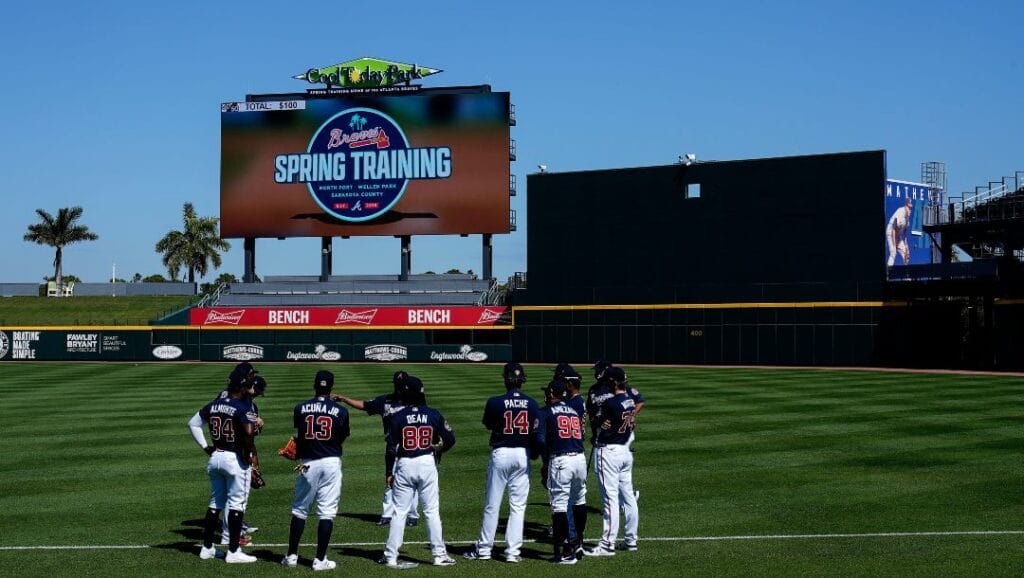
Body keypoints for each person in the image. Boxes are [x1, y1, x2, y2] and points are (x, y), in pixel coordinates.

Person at [463, 362, 539, 564]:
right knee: (518, 506)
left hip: (502, 454)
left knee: (492, 504)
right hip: (523, 454)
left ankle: (485, 549)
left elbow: (489, 424)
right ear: (522, 380)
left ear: (505, 379)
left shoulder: (495, 402)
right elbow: (535, 431)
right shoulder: (532, 404)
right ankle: (513, 552)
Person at [380, 375, 457, 568]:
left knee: (399, 512)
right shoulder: (433, 414)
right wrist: (438, 449)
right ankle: (439, 555)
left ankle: (390, 556)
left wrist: (389, 472)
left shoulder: (397, 417)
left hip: (405, 464)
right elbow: (450, 439)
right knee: (431, 511)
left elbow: (390, 449)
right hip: (426, 462)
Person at [281, 370, 351, 571]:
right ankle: (320, 560)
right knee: (327, 512)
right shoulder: (341, 411)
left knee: (300, 509)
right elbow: (342, 436)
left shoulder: (300, 408)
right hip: (331, 462)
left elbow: (301, 435)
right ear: (331, 387)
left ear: (315, 386)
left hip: (308, 463)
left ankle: (292, 556)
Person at [331, 370, 421, 527]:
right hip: (393, 447)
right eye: (398, 385)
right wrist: (345, 399)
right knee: (389, 480)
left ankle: (412, 515)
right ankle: (387, 514)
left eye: (402, 385)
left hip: (412, 447)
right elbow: (365, 405)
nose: (400, 388)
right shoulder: (385, 401)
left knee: (413, 481)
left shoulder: (414, 402)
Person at [187, 373, 258, 564]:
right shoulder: (241, 406)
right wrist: (249, 454)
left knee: (215, 504)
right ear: (241, 388)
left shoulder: (213, 404)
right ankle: (234, 551)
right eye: (247, 387)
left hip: (215, 457)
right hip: (234, 459)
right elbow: (249, 432)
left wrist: (205, 447)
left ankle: (207, 548)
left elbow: (193, 423)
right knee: (237, 504)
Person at [586, 367, 639, 556]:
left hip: (609, 452)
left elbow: (596, 420)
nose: (606, 383)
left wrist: (600, 420)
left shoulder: (611, 403)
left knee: (610, 498)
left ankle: (607, 544)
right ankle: (631, 540)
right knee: (628, 497)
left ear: (615, 383)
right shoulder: (629, 401)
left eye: (609, 381)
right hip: (625, 452)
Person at [536, 380, 588, 564]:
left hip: (561, 461)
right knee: (579, 500)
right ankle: (578, 542)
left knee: (559, 506)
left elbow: (540, 441)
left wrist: (544, 463)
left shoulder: (546, 412)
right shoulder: (572, 410)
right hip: (580, 458)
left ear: (551, 394)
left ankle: (566, 550)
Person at [215, 364, 264, 545]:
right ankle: (232, 536)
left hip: (223, 448)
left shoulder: (227, 395)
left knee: (231, 495)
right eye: (251, 376)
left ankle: (236, 527)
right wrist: (251, 460)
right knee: (235, 496)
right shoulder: (240, 398)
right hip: (234, 451)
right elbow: (248, 433)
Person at [886, 196, 913, 267]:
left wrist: (906, 244)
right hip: (890, 232)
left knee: (906, 253)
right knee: (893, 252)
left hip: (897, 235)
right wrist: (894, 246)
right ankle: (887, 274)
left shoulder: (907, 217)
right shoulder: (900, 211)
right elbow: (893, 229)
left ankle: (905, 275)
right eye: (909, 207)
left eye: (911, 208)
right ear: (906, 206)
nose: (910, 210)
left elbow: (905, 231)